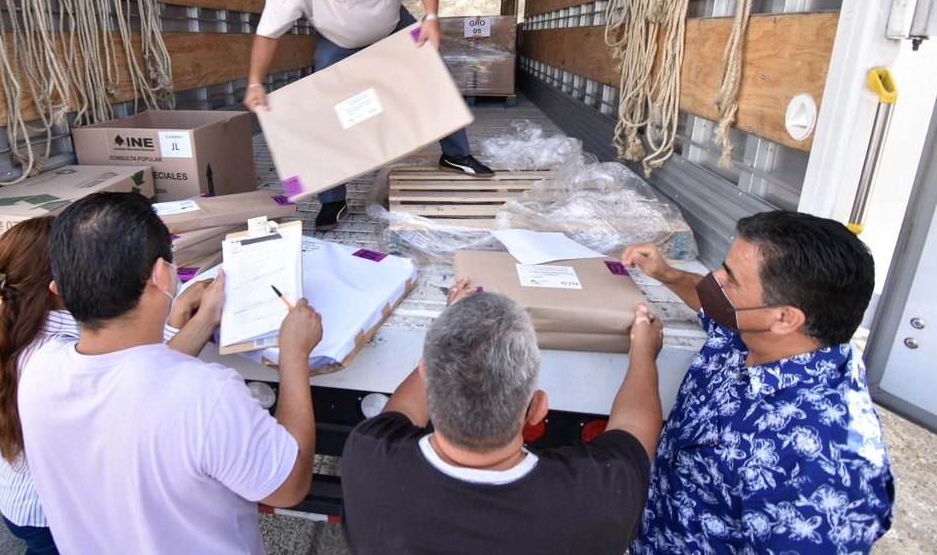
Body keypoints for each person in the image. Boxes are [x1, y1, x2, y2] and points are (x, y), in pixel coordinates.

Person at [16, 192, 323, 554]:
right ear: (161, 275)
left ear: (59, 290)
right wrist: (293, 354)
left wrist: (203, 317)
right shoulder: (206, 395)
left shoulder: (35, 370)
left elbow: (136, 381)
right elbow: (289, 486)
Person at [622, 211, 895, 553]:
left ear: (785, 318)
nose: (714, 280)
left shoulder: (829, 469)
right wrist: (666, 273)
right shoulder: (758, 330)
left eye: (732, 279)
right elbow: (713, 301)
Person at [340, 278, 665, 554]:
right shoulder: (598, 501)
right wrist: (644, 353)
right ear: (537, 409)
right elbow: (635, 427)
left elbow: (405, 407)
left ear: (426, 375)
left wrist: (452, 328)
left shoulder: (367, 457)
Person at [243, 0, 495, 231]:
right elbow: (268, 32)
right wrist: (255, 80)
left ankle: (455, 155)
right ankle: (333, 201)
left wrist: (432, 18)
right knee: (326, 114)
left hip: (391, 25)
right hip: (337, 41)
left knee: (436, 76)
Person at [0, 216, 225, 555]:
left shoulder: (21, 325)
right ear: (60, 285)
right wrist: (204, 316)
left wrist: (177, 311)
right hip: (50, 513)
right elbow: (144, 383)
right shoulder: (60, 354)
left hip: (23, 497)